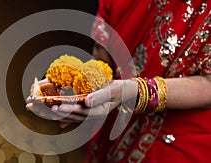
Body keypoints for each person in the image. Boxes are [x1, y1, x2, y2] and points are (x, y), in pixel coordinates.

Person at [26, 0, 211, 162]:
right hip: (114, 122)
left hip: (177, 139)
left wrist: (137, 92)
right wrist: (79, 88)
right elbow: (105, 48)